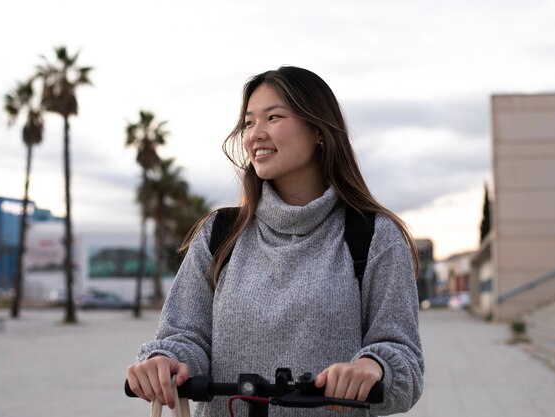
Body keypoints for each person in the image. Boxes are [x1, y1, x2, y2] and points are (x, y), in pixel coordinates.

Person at [126, 66, 423, 416]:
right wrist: (165, 361)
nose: (255, 134)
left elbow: (404, 362)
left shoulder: (375, 237)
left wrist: (374, 368)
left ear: (319, 130)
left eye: (273, 117)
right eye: (249, 122)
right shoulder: (219, 234)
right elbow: (184, 337)